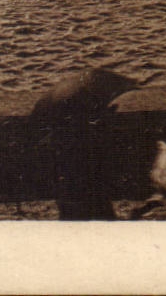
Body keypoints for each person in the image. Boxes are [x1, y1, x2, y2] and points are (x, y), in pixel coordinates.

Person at [30, 67, 137, 220]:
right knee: (99, 206)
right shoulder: (88, 126)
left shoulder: (59, 128)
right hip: (88, 178)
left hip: (70, 184)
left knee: (72, 210)